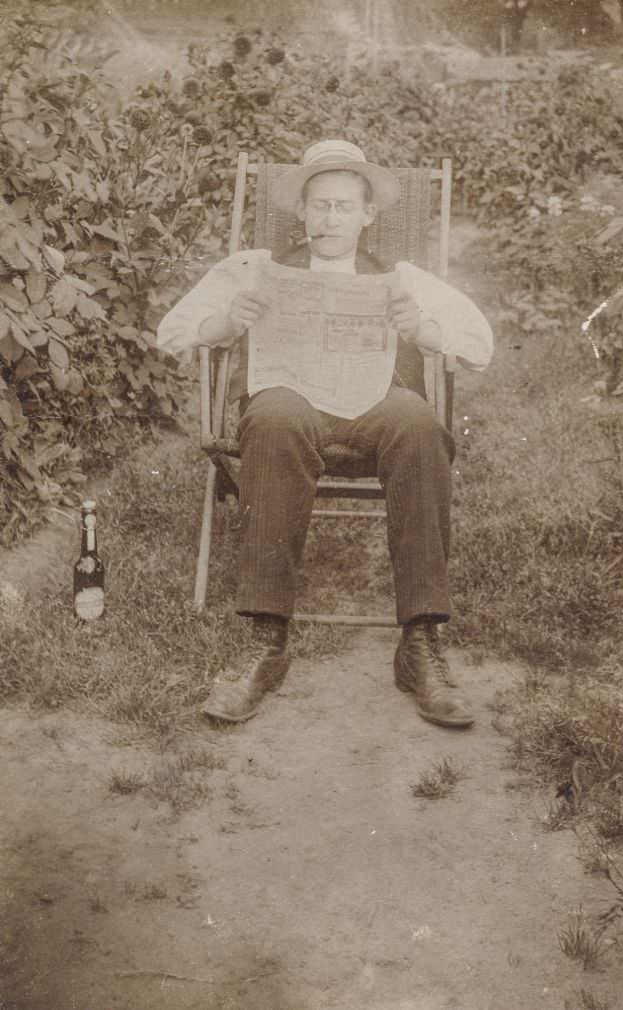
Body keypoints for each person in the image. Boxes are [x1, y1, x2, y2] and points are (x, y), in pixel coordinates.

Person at [157, 139, 493, 729]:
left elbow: (480, 342)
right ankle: (267, 642)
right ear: (301, 211)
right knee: (273, 418)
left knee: (419, 423)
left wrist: (424, 329)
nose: (331, 219)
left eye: (344, 207)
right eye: (320, 205)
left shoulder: (400, 277)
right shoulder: (255, 268)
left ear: (368, 215)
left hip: (377, 404)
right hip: (291, 405)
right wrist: (226, 321)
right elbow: (173, 331)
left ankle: (420, 644)